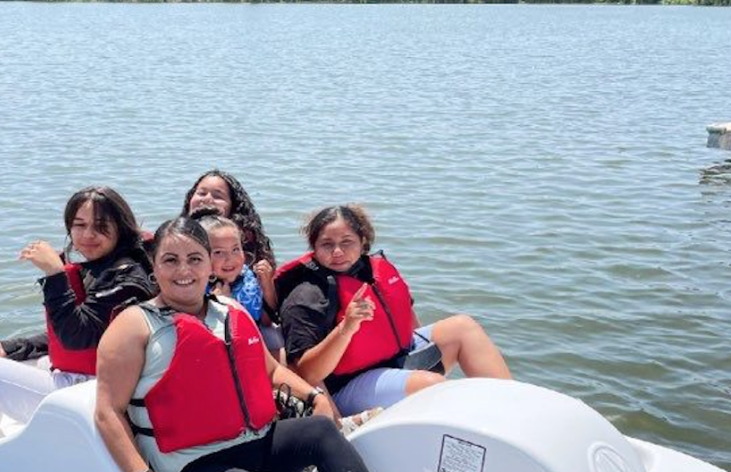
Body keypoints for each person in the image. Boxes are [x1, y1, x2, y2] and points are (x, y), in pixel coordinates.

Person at [94, 217, 449, 472]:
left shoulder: (231, 311)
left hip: (252, 445)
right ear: (153, 267)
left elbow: (269, 372)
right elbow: (107, 411)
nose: (184, 271)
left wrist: (314, 397)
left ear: (211, 264)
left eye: (194, 258)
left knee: (319, 431)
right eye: (170, 260)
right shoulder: (135, 327)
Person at [276, 203, 511, 417]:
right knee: (433, 386)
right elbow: (305, 373)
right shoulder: (306, 295)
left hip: (394, 360)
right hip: (348, 385)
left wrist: (420, 354)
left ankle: (510, 407)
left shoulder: (374, 269)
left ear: (362, 240)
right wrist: (346, 329)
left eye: (346, 241)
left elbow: (408, 319)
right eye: (327, 244)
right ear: (314, 247)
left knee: (463, 326)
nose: (337, 251)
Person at [0, 186, 155, 438]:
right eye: (79, 225)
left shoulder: (127, 277)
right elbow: (82, 331)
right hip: (92, 379)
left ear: (121, 227)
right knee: (20, 360)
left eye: (100, 225)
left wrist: (55, 275)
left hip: (102, 393)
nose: (87, 235)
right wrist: (11, 347)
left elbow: (78, 337)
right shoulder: (105, 266)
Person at [181, 170, 279, 313]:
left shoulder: (248, 270)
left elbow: (268, 317)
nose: (207, 199)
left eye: (217, 195)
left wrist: (267, 285)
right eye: (202, 193)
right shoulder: (176, 248)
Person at [197, 213, 284, 357]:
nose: (230, 258)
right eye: (218, 252)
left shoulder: (247, 278)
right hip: (217, 350)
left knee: (276, 342)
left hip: (251, 339)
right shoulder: (197, 287)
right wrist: (220, 305)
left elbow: (267, 321)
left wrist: (267, 286)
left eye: (236, 249)